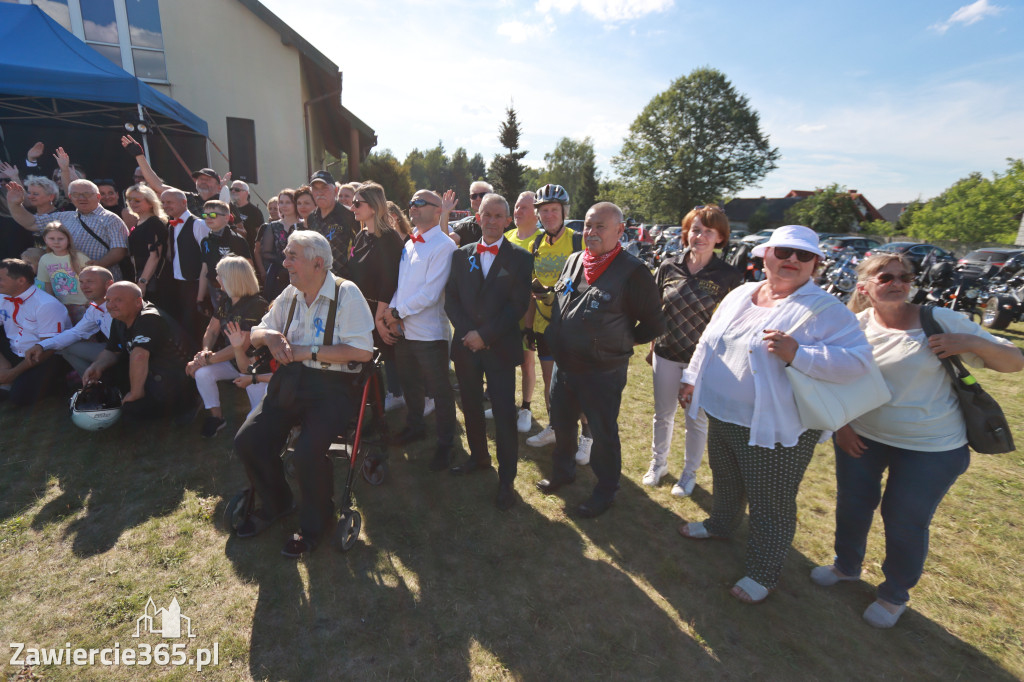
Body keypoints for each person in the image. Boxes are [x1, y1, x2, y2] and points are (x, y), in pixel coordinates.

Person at [811, 253, 1023, 628]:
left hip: (931, 447)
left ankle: (894, 595)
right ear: (864, 287)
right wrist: (841, 426)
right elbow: (833, 382)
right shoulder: (853, 326)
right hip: (863, 438)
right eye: (885, 276)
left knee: (904, 519)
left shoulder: (939, 320)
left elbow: (1013, 361)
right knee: (853, 505)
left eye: (904, 277)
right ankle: (846, 567)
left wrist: (967, 341)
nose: (897, 282)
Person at [676, 225, 874, 605]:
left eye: (803, 256)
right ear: (764, 255)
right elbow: (708, 339)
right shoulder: (741, 293)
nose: (792, 261)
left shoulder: (825, 309)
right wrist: (691, 379)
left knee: (771, 503)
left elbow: (859, 362)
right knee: (727, 478)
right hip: (722, 413)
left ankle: (763, 572)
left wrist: (799, 353)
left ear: (815, 264)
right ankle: (720, 525)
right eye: (783, 252)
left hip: (776, 428)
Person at [233, 230, 374, 558]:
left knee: (307, 454)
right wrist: (269, 337)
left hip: (332, 388)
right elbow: (256, 332)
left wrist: (303, 351)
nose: (284, 262)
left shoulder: (346, 293)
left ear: (317, 263)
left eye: (291, 256)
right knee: (247, 441)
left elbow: (363, 352)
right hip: (292, 383)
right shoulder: (291, 293)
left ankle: (316, 523)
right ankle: (278, 502)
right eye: (286, 255)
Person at [536, 202, 665, 518]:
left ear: (620, 231)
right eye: (588, 226)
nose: (590, 233)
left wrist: (619, 342)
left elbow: (654, 324)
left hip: (602, 371)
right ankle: (563, 471)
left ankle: (605, 490)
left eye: (600, 227)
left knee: (602, 432)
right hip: (565, 365)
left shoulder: (633, 272)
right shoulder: (574, 260)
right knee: (562, 423)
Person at [645, 206, 743, 493]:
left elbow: (730, 326)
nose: (699, 236)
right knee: (662, 414)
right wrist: (652, 347)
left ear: (720, 237)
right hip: (666, 353)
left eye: (708, 232)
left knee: (695, 421)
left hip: (702, 364)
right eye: (695, 229)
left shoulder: (728, 276)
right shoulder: (668, 266)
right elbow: (655, 311)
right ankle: (658, 463)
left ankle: (689, 474)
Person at [445, 193, 533, 509]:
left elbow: (517, 306)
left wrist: (484, 334)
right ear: (477, 216)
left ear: (507, 220)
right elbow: (450, 299)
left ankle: (507, 479)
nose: (493, 221)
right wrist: (470, 334)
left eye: (499, 216)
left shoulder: (521, 258)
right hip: (466, 348)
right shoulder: (460, 255)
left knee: (504, 414)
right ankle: (479, 458)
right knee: (469, 406)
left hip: (499, 347)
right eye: (487, 215)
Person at [383, 190, 458, 470]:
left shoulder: (443, 245)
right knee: (410, 384)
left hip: (429, 334)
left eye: (419, 203)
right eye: (411, 202)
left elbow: (430, 293)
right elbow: (402, 286)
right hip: (405, 330)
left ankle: (446, 444)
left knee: (439, 391)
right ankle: (415, 427)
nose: (412, 207)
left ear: (438, 210)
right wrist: (392, 311)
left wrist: (394, 313)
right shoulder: (411, 241)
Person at [523, 184, 588, 461]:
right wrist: (528, 326)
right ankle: (553, 426)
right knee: (551, 383)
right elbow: (529, 289)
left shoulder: (578, 241)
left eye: (554, 210)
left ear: (564, 212)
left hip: (572, 328)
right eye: (544, 211)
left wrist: (560, 294)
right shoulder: (534, 243)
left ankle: (587, 437)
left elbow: (588, 285)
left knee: (577, 385)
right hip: (543, 324)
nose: (549, 215)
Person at [187, 256, 269, 437]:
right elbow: (212, 330)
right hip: (231, 362)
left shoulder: (257, 305)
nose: (216, 279)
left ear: (233, 278)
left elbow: (242, 344)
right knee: (203, 374)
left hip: (254, 367)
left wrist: (206, 360)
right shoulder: (226, 301)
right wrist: (205, 351)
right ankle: (216, 418)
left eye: (220, 275)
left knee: (257, 421)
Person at [5, 179, 130, 280]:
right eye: (76, 195)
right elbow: (31, 223)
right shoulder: (63, 216)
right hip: (68, 283)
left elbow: (119, 250)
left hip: (100, 280)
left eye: (87, 194)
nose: (81, 198)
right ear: (70, 197)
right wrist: (14, 204)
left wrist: (97, 266)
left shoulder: (111, 219)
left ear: (98, 196)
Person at [488, 190, 540, 432]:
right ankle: (503, 403)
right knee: (504, 360)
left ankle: (526, 408)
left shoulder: (541, 239)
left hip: (530, 312)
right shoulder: (506, 237)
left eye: (524, 208)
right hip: (504, 312)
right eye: (517, 207)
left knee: (528, 361)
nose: (518, 211)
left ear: (536, 214)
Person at [347, 182, 404, 399]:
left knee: (385, 358)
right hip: (361, 308)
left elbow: (389, 282)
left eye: (357, 203)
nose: (353, 207)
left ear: (373, 206)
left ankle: (394, 397)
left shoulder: (389, 238)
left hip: (381, 308)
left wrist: (379, 319)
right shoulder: (362, 236)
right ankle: (377, 400)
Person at [0, 258, 72, 406]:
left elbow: (49, 348)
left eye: (1, 279)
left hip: (44, 357)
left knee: (19, 399)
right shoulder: (2, 297)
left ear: (21, 281)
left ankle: (58, 382)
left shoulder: (46, 305)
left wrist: (13, 373)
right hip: (15, 351)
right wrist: (3, 365)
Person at [25, 266, 114, 377]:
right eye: (81, 282)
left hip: (129, 352)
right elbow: (76, 332)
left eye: (90, 282)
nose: (84, 287)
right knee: (65, 347)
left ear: (109, 284)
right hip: (113, 350)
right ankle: (93, 385)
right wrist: (41, 345)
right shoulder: (94, 308)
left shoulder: (122, 304)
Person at [122, 134, 230, 215]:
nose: (203, 182)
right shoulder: (187, 198)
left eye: (208, 179)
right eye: (200, 179)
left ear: (218, 185)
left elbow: (241, 231)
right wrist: (139, 155)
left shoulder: (223, 203)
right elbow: (158, 186)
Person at [160, 188, 209, 347]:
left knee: (195, 323)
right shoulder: (172, 225)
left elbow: (207, 256)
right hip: (179, 282)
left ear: (183, 202)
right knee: (184, 323)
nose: (166, 206)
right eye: (163, 203)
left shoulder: (198, 224)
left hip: (195, 283)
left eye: (170, 202)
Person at [197, 200, 253, 312]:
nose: (208, 218)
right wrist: (200, 298)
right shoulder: (206, 241)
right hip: (215, 289)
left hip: (236, 292)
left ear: (226, 218)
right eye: (205, 215)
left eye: (213, 215)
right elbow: (204, 270)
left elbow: (249, 269)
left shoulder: (237, 240)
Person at [124, 184, 170, 309]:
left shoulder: (153, 223)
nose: (132, 203)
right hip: (142, 276)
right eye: (129, 199)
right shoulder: (140, 222)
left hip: (152, 280)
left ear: (150, 203)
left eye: (137, 200)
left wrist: (143, 281)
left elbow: (154, 256)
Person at [306, 170, 358, 278]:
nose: (320, 193)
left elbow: (359, 248)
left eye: (324, 188)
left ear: (335, 191)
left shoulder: (350, 215)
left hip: (345, 282)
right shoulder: (311, 218)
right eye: (315, 189)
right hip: (319, 280)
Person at [37, 222, 90, 323]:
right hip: (61, 306)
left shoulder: (79, 257)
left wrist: (91, 300)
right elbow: (47, 283)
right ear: (45, 240)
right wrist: (52, 304)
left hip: (83, 305)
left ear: (68, 240)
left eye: (60, 239)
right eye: (52, 239)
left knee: (87, 336)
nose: (56, 242)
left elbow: (93, 280)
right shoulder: (44, 259)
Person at [256, 189, 302, 302]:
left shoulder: (304, 224)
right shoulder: (273, 226)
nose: (284, 205)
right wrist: (283, 261)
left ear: (295, 203)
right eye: (281, 202)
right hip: (278, 272)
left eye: (288, 202)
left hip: (301, 270)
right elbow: (265, 252)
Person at [448, 180, 493, 246]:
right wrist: (445, 213)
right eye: (474, 196)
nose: (478, 199)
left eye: (482, 195)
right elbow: (445, 244)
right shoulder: (466, 228)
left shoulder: (502, 225)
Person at [229, 180, 264, 254]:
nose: (233, 191)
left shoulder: (255, 211)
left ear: (246, 193)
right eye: (231, 189)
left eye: (237, 190)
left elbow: (260, 234)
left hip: (248, 251)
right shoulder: (228, 208)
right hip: (231, 250)